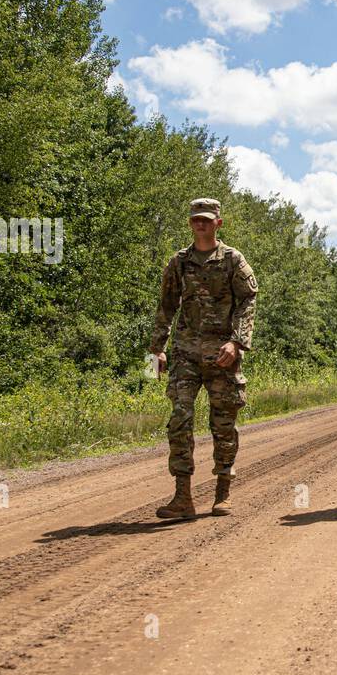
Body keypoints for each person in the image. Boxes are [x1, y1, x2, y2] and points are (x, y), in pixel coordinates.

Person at [149, 198, 258, 519]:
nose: (201, 224)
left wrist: (237, 343)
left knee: (223, 424)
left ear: (218, 224)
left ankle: (223, 493)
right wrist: (157, 349)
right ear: (190, 223)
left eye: (207, 220)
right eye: (196, 219)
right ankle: (183, 497)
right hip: (184, 355)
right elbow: (166, 305)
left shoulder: (233, 261)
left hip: (222, 355)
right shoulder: (179, 262)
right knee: (179, 420)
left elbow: (248, 300)